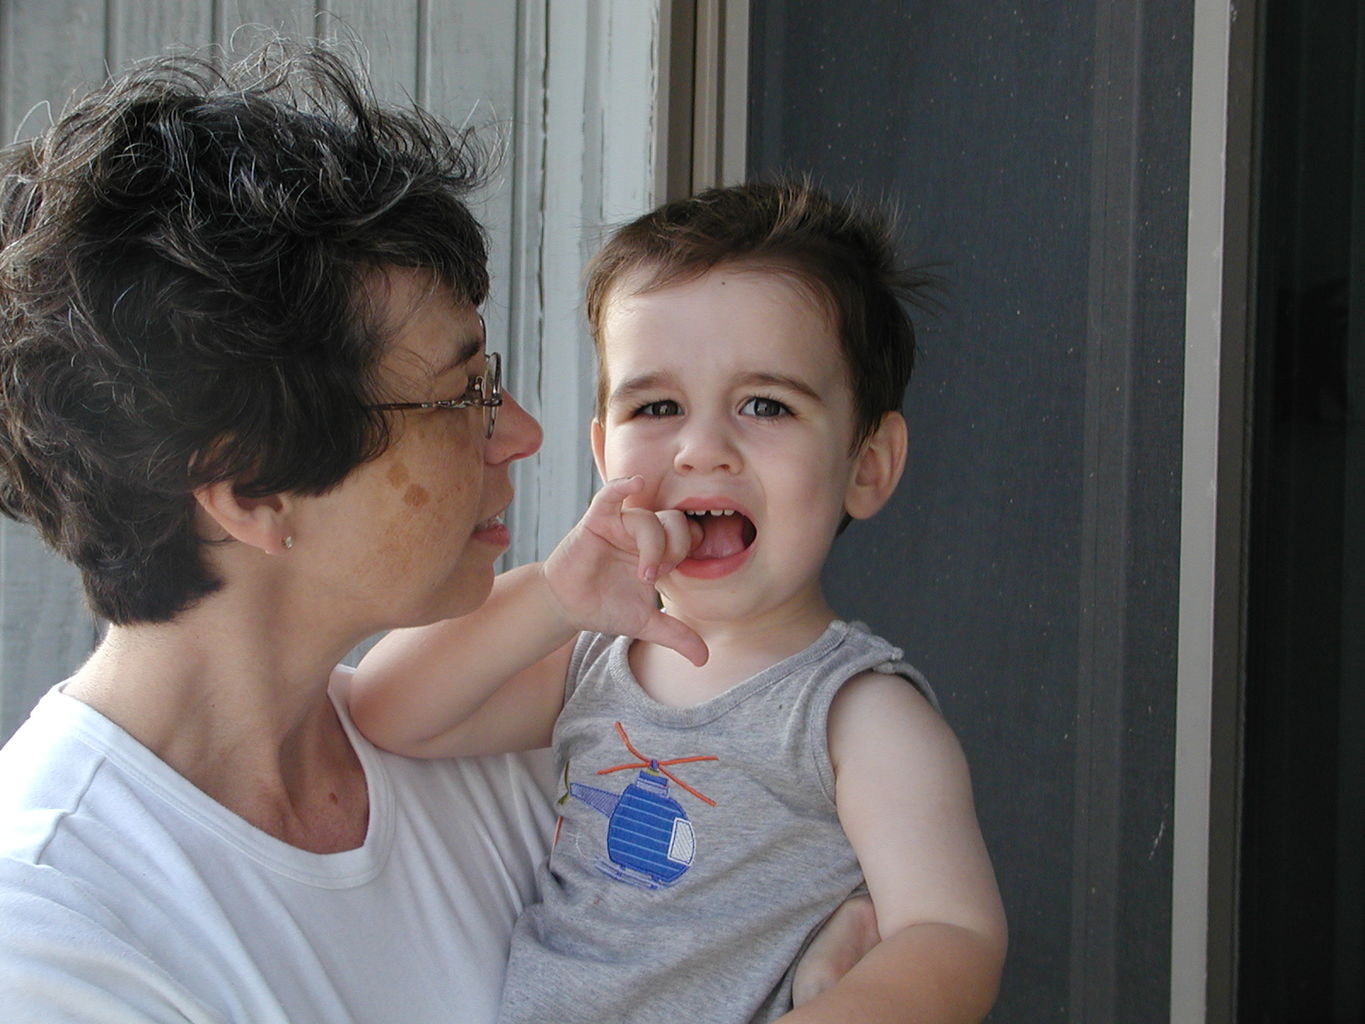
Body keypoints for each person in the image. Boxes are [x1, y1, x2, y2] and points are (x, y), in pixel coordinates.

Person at [349, 182, 1009, 1023]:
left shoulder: (854, 715)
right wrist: (553, 594)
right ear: (602, 451)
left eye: (765, 405)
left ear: (867, 464)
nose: (702, 449)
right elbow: (388, 709)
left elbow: (948, 933)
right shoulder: (587, 656)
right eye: (657, 407)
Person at [0, 40, 556, 1023]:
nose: (519, 433)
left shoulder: (485, 734)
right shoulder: (50, 931)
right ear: (249, 485)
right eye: (464, 392)